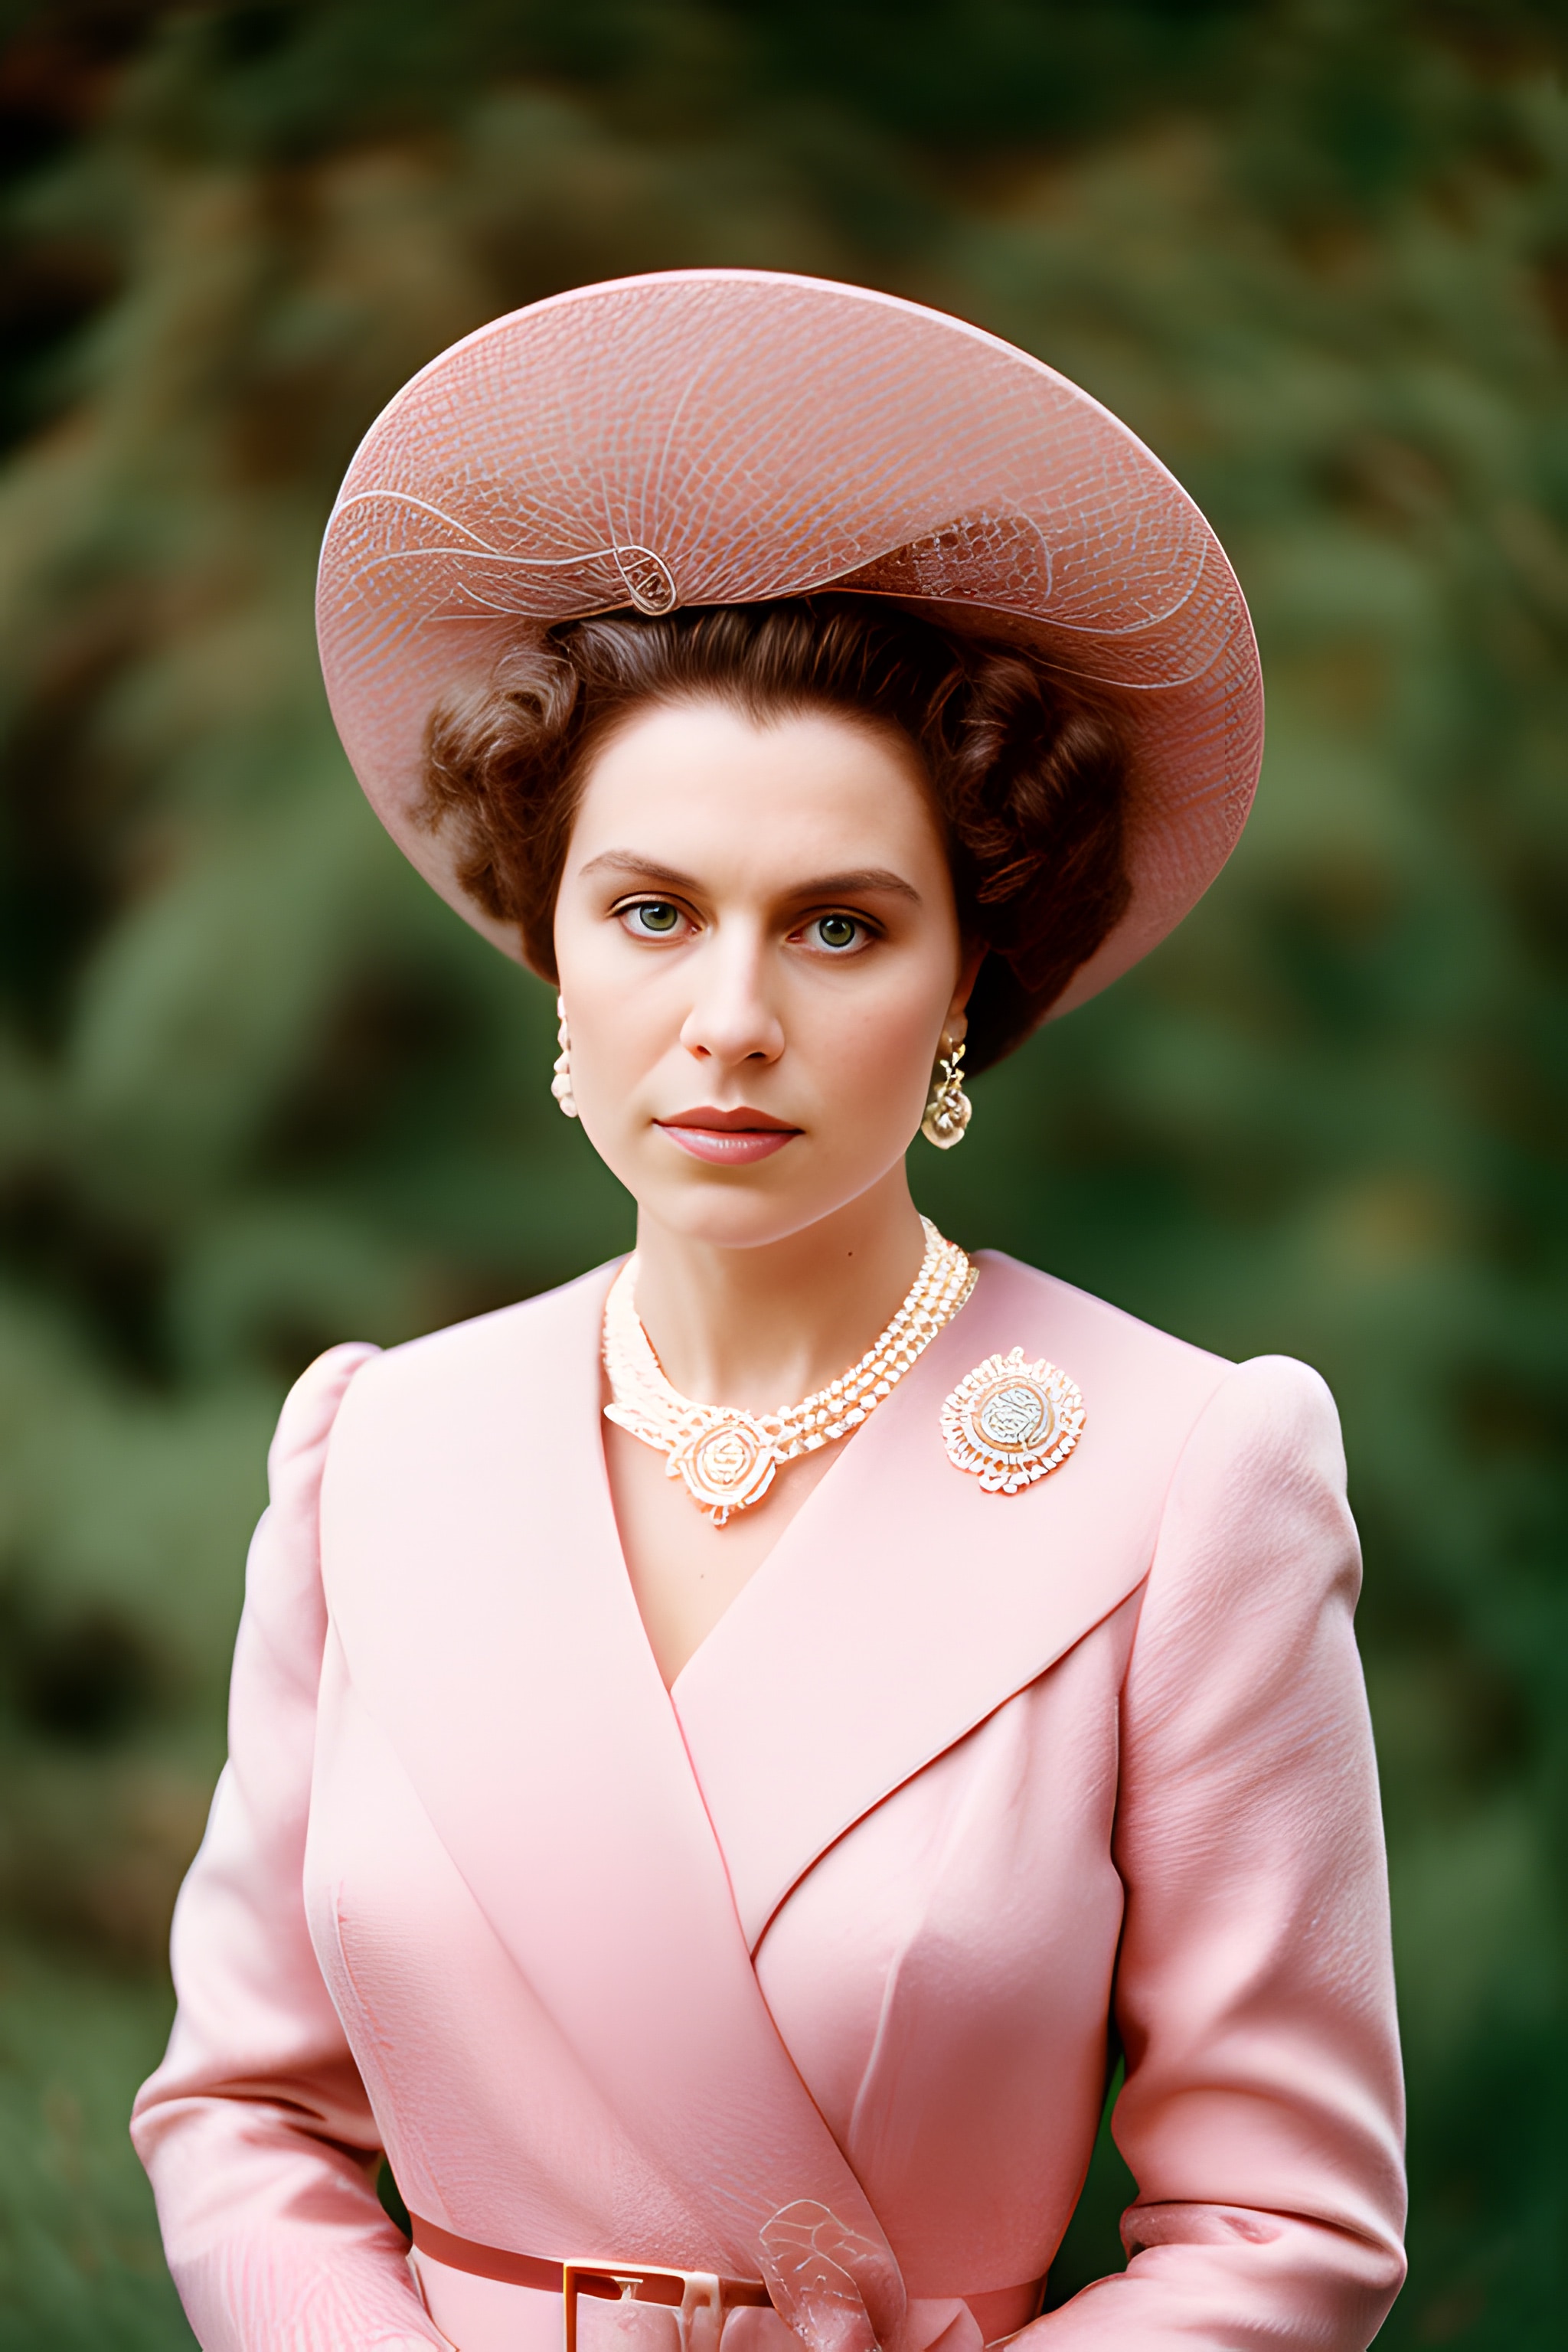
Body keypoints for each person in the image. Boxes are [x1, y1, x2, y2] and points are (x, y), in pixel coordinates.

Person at [131, 271, 1406, 2352]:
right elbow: (239, 2116)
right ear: (550, 951)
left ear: (967, 981)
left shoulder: (1193, 1473)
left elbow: (1284, 2231)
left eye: (837, 925)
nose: (729, 1023)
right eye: (652, 914)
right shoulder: (376, 1445)